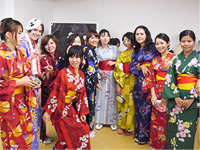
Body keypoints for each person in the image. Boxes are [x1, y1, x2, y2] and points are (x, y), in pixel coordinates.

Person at [0, 18, 39, 149]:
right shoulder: (0, 55)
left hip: (23, 101)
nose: (22, 36)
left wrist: (31, 82)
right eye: (20, 33)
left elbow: (27, 71)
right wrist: (19, 82)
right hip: (8, 104)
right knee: (13, 139)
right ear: (8, 35)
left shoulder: (21, 53)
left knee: (27, 135)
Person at [43, 45, 90, 150]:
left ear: (81, 59)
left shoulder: (81, 74)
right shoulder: (63, 73)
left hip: (72, 107)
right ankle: (59, 147)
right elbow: (55, 93)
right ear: (68, 58)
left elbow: (82, 95)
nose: (74, 60)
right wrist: (48, 111)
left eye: (77, 57)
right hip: (61, 108)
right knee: (69, 134)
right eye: (71, 57)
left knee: (84, 128)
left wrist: (82, 112)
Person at [162, 30, 200, 149]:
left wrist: (192, 98)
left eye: (189, 41)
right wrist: (176, 97)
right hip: (176, 99)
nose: (186, 44)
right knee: (173, 127)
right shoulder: (176, 59)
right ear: (180, 42)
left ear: (194, 42)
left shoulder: (198, 58)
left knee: (188, 129)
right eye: (183, 41)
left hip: (192, 100)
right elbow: (170, 78)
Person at [129, 25, 159, 144]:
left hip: (152, 81)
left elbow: (159, 61)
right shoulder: (135, 50)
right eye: (137, 34)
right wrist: (141, 67)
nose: (139, 36)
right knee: (139, 109)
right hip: (139, 83)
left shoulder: (153, 47)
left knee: (148, 109)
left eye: (141, 34)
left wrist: (146, 66)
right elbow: (132, 67)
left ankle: (147, 136)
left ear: (146, 35)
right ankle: (139, 134)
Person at [19, 17, 44, 149]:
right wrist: (30, 58)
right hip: (25, 84)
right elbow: (18, 66)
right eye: (35, 29)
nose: (37, 33)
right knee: (29, 118)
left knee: (35, 117)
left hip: (33, 81)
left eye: (40, 31)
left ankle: (34, 146)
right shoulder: (23, 43)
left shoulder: (33, 44)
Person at [149, 33, 175, 149]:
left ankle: (167, 145)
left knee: (168, 119)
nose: (159, 46)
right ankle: (155, 144)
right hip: (157, 92)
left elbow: (175, 79)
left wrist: (168, 95)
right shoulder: (154, 60)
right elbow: (150, 79)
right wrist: (153, 95)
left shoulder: (174, 58)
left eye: (162, 43)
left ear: (168, 43)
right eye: (157, 43)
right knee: (155, 119)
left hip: (169, 93)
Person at [95, 29, 120, 131]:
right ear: (99, 38)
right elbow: (94, 64)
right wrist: (99, 71)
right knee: (100, 97)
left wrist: (114, 63)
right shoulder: (96, 50)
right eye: (102, 36)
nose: (105, 38)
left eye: (107, 36)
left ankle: (112, 121)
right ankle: (100, 120)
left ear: (109, 38)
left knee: (112, 98)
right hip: (101, 75)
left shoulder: (115, 49)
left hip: (113, 75)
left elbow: (121, 61)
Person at [114, 32, 136, 136]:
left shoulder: (138, 53)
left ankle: (130, 127)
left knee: (132, 105)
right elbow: (117, 69)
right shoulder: (122, 54)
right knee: (122, 104)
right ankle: (122, 126)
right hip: (124, 80)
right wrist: (118, 84)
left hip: (135, 81)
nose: (126, 43)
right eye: (124, 41)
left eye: (128, 40)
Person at [40, 35, 60, 143]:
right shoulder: (43, 58)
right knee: (44, 113)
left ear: (56, 44)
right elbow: (42, 78)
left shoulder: (57, 56)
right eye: (46, 44)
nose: (50, 46)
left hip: (57, 89)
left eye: (52, 43)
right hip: (46, 90)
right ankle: (43, 136)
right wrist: (47, 72)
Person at [83, 30, 102, 138]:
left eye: (96, 37)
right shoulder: (86, 49)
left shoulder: (92, 50)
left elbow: (95, 66)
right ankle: (86, 130)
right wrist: (96, 81)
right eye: (92, 38)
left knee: (91, 104)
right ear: (87, 39)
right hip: (88, 82)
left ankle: (88, 129)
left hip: (91, 82)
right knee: (88, 105)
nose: (95, 40)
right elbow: (90, 68)